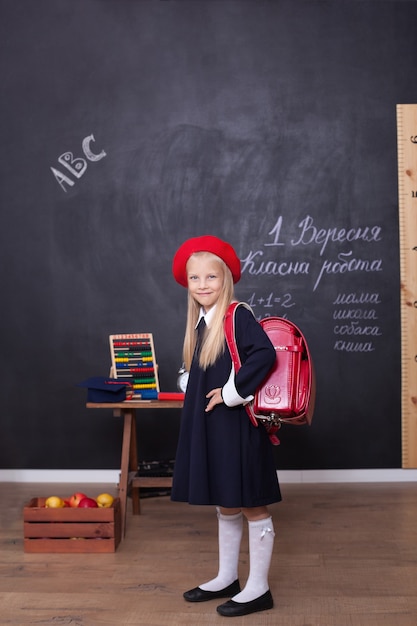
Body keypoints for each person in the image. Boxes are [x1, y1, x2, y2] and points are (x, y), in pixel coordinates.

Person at [171, 235, 281, 618]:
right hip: (214, 428)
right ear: (188, 283)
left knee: (251, 501)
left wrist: (231, 392)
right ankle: (227, 577)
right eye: (196, 278)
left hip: (238, 427)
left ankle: (259, 587)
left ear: (226, 279)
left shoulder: (237, 314)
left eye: (211, 277)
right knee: (227, 501)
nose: (203, 285)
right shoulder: (200, 323)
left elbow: (264, 354)